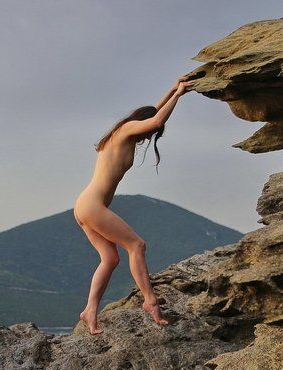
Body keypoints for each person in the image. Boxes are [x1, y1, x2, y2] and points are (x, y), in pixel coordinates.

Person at [73, 73, 196, 335]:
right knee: (136, 245)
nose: (149, 135)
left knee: (110, 258)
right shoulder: (127, 130)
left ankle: (90, 311)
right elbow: (156, 118)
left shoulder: (123, 132)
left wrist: (171, 87)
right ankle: (150, 301)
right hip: (93, 205)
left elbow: (152, 113)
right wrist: (179, 94)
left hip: (85, 205)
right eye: (150, 132)